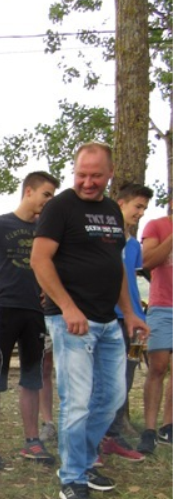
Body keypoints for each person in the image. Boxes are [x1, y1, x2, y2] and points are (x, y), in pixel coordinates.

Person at [30, 142, 149, 499]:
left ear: (109, 174)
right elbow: (39, 260)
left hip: (108, 320)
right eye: (81, 174)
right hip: (71, 321)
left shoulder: (112, 210)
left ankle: (81, 463)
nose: (87, 182)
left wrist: (129, 311)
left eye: (96, 175)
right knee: (77, 401)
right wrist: (68, 308)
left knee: (111, 398)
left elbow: (115, 267)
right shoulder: (60, 207)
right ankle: (72, 478)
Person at [0, 171, 60, 469]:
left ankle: (32, 441)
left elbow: (53, 265)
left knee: (32, 378)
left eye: (53, 197)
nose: (49, 201)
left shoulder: (46, 232)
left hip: (35, 312)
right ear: (29, 191)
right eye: (46, 194)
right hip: (3, 310)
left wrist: (50, 289)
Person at [101, 183, 153, 461]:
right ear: (120, 203)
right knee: (105, 378)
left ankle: (114, 434)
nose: (141, 212)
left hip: (136, 325)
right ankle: (98, 436)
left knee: (127, 375)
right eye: (138, 206)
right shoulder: (102, 238)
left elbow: (132, 280)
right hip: (110, 318)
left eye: (144, 208)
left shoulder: (133, 245)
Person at [137, 193, 173, 454]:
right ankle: (149, 430)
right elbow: (147, 262)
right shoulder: (157, 226)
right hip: (163, 306)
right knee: (158, 367)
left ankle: (168, 426)